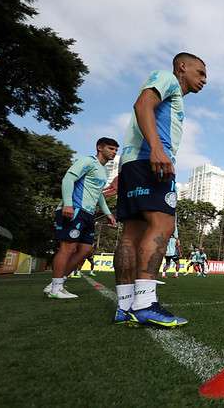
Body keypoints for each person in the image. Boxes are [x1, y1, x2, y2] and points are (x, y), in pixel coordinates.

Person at [108, 52, 207, 327]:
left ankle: (125, 306)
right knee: (163, 224)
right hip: (150, 163)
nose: (204, 80)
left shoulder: (172, 95)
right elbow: (142, 105)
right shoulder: (167, 79)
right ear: (181, 67)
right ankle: (145, 303)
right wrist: (156, 148)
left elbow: (136, 121)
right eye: (200, 72)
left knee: (130, 234)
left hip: (133, 164)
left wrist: (123, 171)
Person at [45, 137, 118, 299]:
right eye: (111, 148)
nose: (114, 152)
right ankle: (55, 289)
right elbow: (68, 178)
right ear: (100, 148)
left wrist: (108, 213)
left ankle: (57, 283)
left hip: (88, 214)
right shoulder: (87, 161)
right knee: (68, 248)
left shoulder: (103, 171)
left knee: (85, 250)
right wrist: (68, 204)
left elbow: (98, 194)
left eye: (115, 150)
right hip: (75, 209)